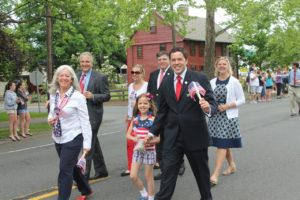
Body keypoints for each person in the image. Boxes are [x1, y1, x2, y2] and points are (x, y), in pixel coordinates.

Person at [146, 47, 217, 200]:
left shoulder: (199, 78)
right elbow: (162, 112)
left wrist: (208, 108)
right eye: (174, 60)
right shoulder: (165, 82)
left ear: (186, 60)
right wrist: (152, 132)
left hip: (195, 136)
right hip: (172, 137)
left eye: (179, 59)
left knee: (202, 177)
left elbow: (212, 103)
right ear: (170, 62)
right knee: (167, 176)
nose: (176, 63)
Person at [47, 65, 93, 200]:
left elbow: (85, 121)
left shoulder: (78, 97)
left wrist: (87, 143)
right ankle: (85, 188)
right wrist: (49, 119)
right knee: (71, 166)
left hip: (74, 137)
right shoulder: (53, 94)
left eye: (67, 76)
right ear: (57, 78)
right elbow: (51, 113)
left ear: (72, 78)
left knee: (64, 171)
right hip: (58, 137)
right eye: (61, 75)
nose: (64, 78)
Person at [147, 51, 185, 181]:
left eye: (164, 59)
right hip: (157, 114)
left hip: (170, 114)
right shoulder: (153, 75)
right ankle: (164, 169)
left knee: (173, 140)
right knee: (160, 143)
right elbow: (150, 94)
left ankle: (180, 164)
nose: (162, 62)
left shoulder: (173, 73)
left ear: (168, 60)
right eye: (160, 60)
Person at [208, 57, 245, 186]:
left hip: (228, 116)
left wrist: (228, 106)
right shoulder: (212, 82)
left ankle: (215, 175)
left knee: (222, 144)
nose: (222, 66)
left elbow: (242, 100)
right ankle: (231, 165)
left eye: (224, 64)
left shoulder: (234, 82)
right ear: (216, 66)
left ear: (228, 66)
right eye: (220, 64)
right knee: (223, 142)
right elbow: (209, 98)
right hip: (215, 116)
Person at [77, 52, 111, 180]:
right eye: (82, 62)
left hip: (93, 115)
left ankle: (83, 176)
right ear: (80, 63)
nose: (85, 64)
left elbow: (107, 95)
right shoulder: (76, 75)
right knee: (93, 142)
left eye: (87, 62)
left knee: (87, 145)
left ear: (92, 63)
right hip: (78, 115)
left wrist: (93, 96)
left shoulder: (100, 77)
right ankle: (102, 170)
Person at [126, 93, 160, 200]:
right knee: (133, 176)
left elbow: (159, 138)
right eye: (140, 103)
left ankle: (151, 197)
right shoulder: (135, 119)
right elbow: (128, 134)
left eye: (145, 103)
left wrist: (148, 142)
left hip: (149, 151)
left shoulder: (153, 120)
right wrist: (135, 139)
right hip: (137, 151)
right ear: (137, 105)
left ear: (150, 105)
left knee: (148, 177)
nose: (142, 105)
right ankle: (144, 194)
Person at [121, 64, 148, 177]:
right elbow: (129, 103)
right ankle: (130, 167)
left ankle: (153, 161)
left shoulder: (146, 85)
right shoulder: (131, 86)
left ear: (142, 73)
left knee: (146, 142)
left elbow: (149, 102)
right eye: (133, 72)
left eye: (137, 72)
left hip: (143, 117)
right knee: (130, 142)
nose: (135, 75)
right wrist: (127, 115)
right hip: (132, 118)